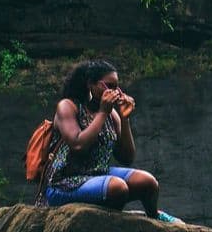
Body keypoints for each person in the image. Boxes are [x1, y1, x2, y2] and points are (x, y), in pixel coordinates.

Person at [41, 59, 180, 223]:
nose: (117, 92)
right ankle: (110, 223)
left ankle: (154, 218)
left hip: (98, 174)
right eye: (110, 86)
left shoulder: (112, 115)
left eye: (117, 87)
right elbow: (78, 145)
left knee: (148, 182)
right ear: (91, 85)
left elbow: (127, 157)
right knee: (118, 188)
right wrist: (103, 112)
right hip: (64, 183)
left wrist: (124, 117)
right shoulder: (68, 107)